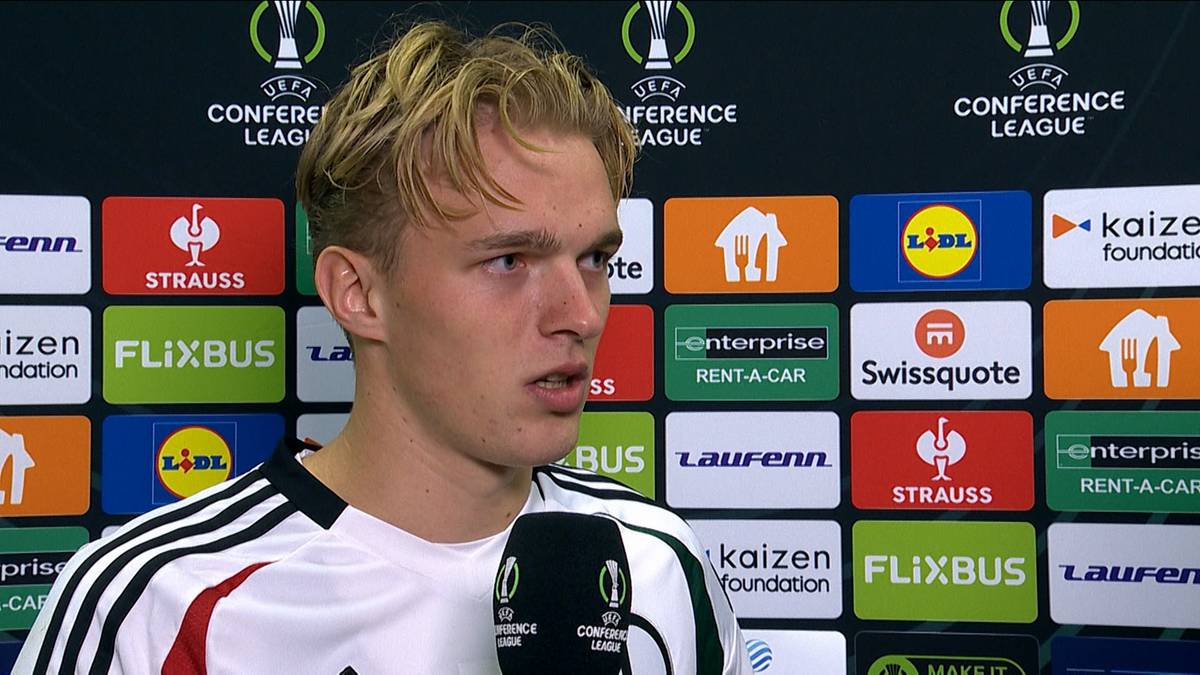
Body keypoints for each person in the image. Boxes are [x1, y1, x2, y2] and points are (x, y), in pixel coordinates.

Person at [16, 20, 750, 674]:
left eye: (594, 258)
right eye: (508, 261)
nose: (580, 314)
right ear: (358, 293)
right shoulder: (153, 603)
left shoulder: (659, 565)